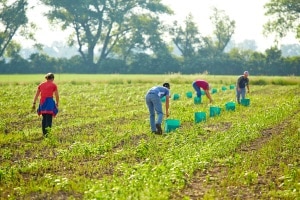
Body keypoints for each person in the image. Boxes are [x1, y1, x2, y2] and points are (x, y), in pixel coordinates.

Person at [32, 73, 59, 137]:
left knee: (44, 118)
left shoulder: (41, 85)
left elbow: (37, 94)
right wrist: (57, 103)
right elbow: (57, 95)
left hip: (42, 103)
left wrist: (34, 103)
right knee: (49, 119)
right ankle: (47, 135)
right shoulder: (53, 85)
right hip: (49, 103)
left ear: (46, 78)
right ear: (52, 78)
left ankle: (44, 134)